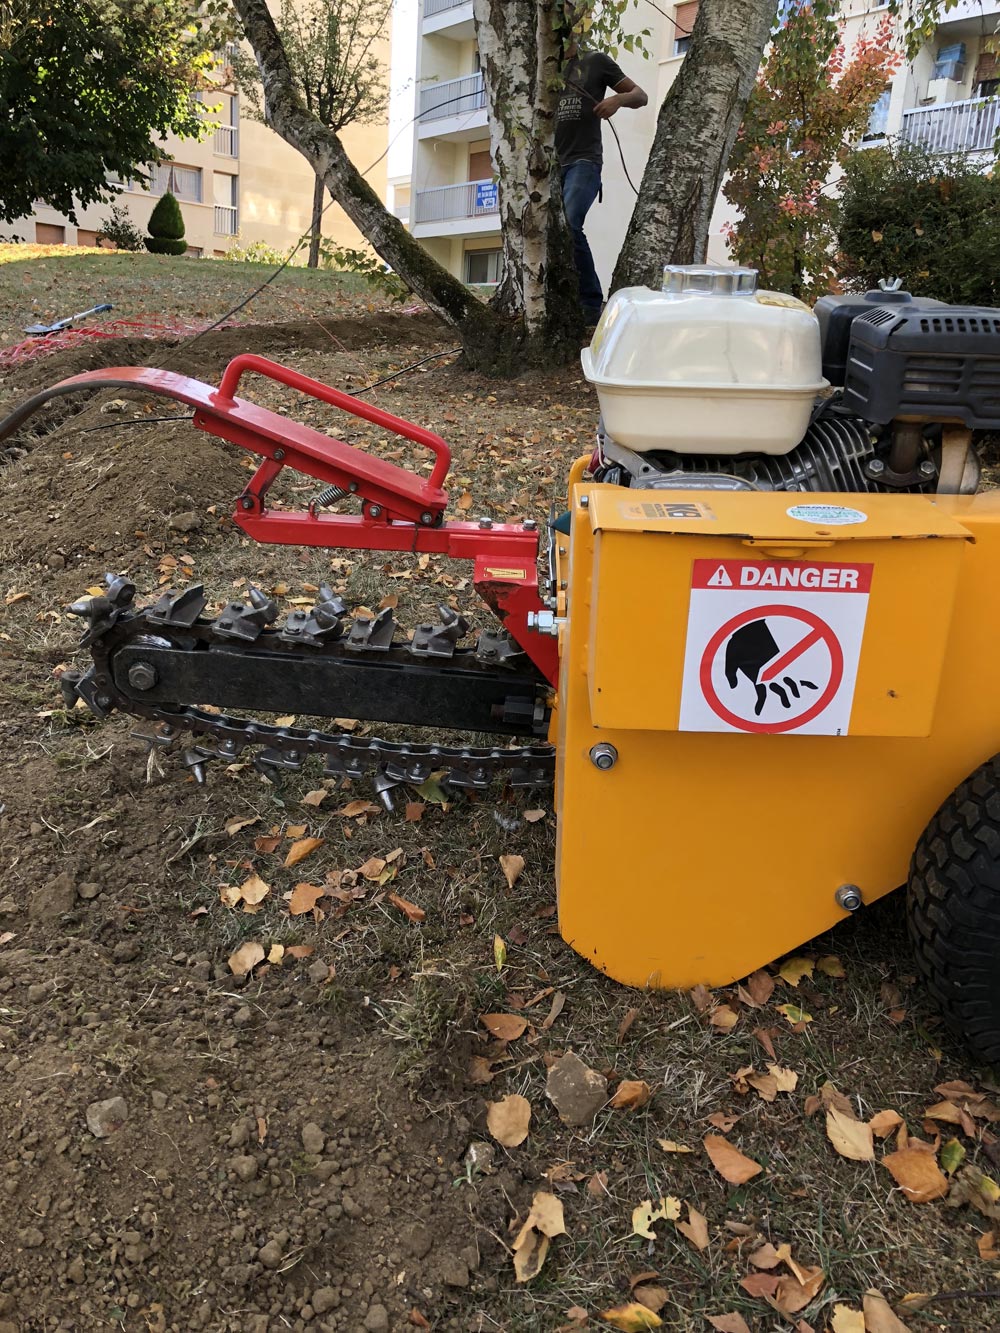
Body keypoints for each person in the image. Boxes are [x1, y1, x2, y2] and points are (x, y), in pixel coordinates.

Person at [555, 41, 648, 326]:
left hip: (584, 161)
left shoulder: (594, 61)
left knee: (570, 224)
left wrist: (617, 101)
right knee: (546, 234)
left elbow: (640, 95)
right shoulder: (544, 69)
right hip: (547, 167)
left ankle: (590, 304)